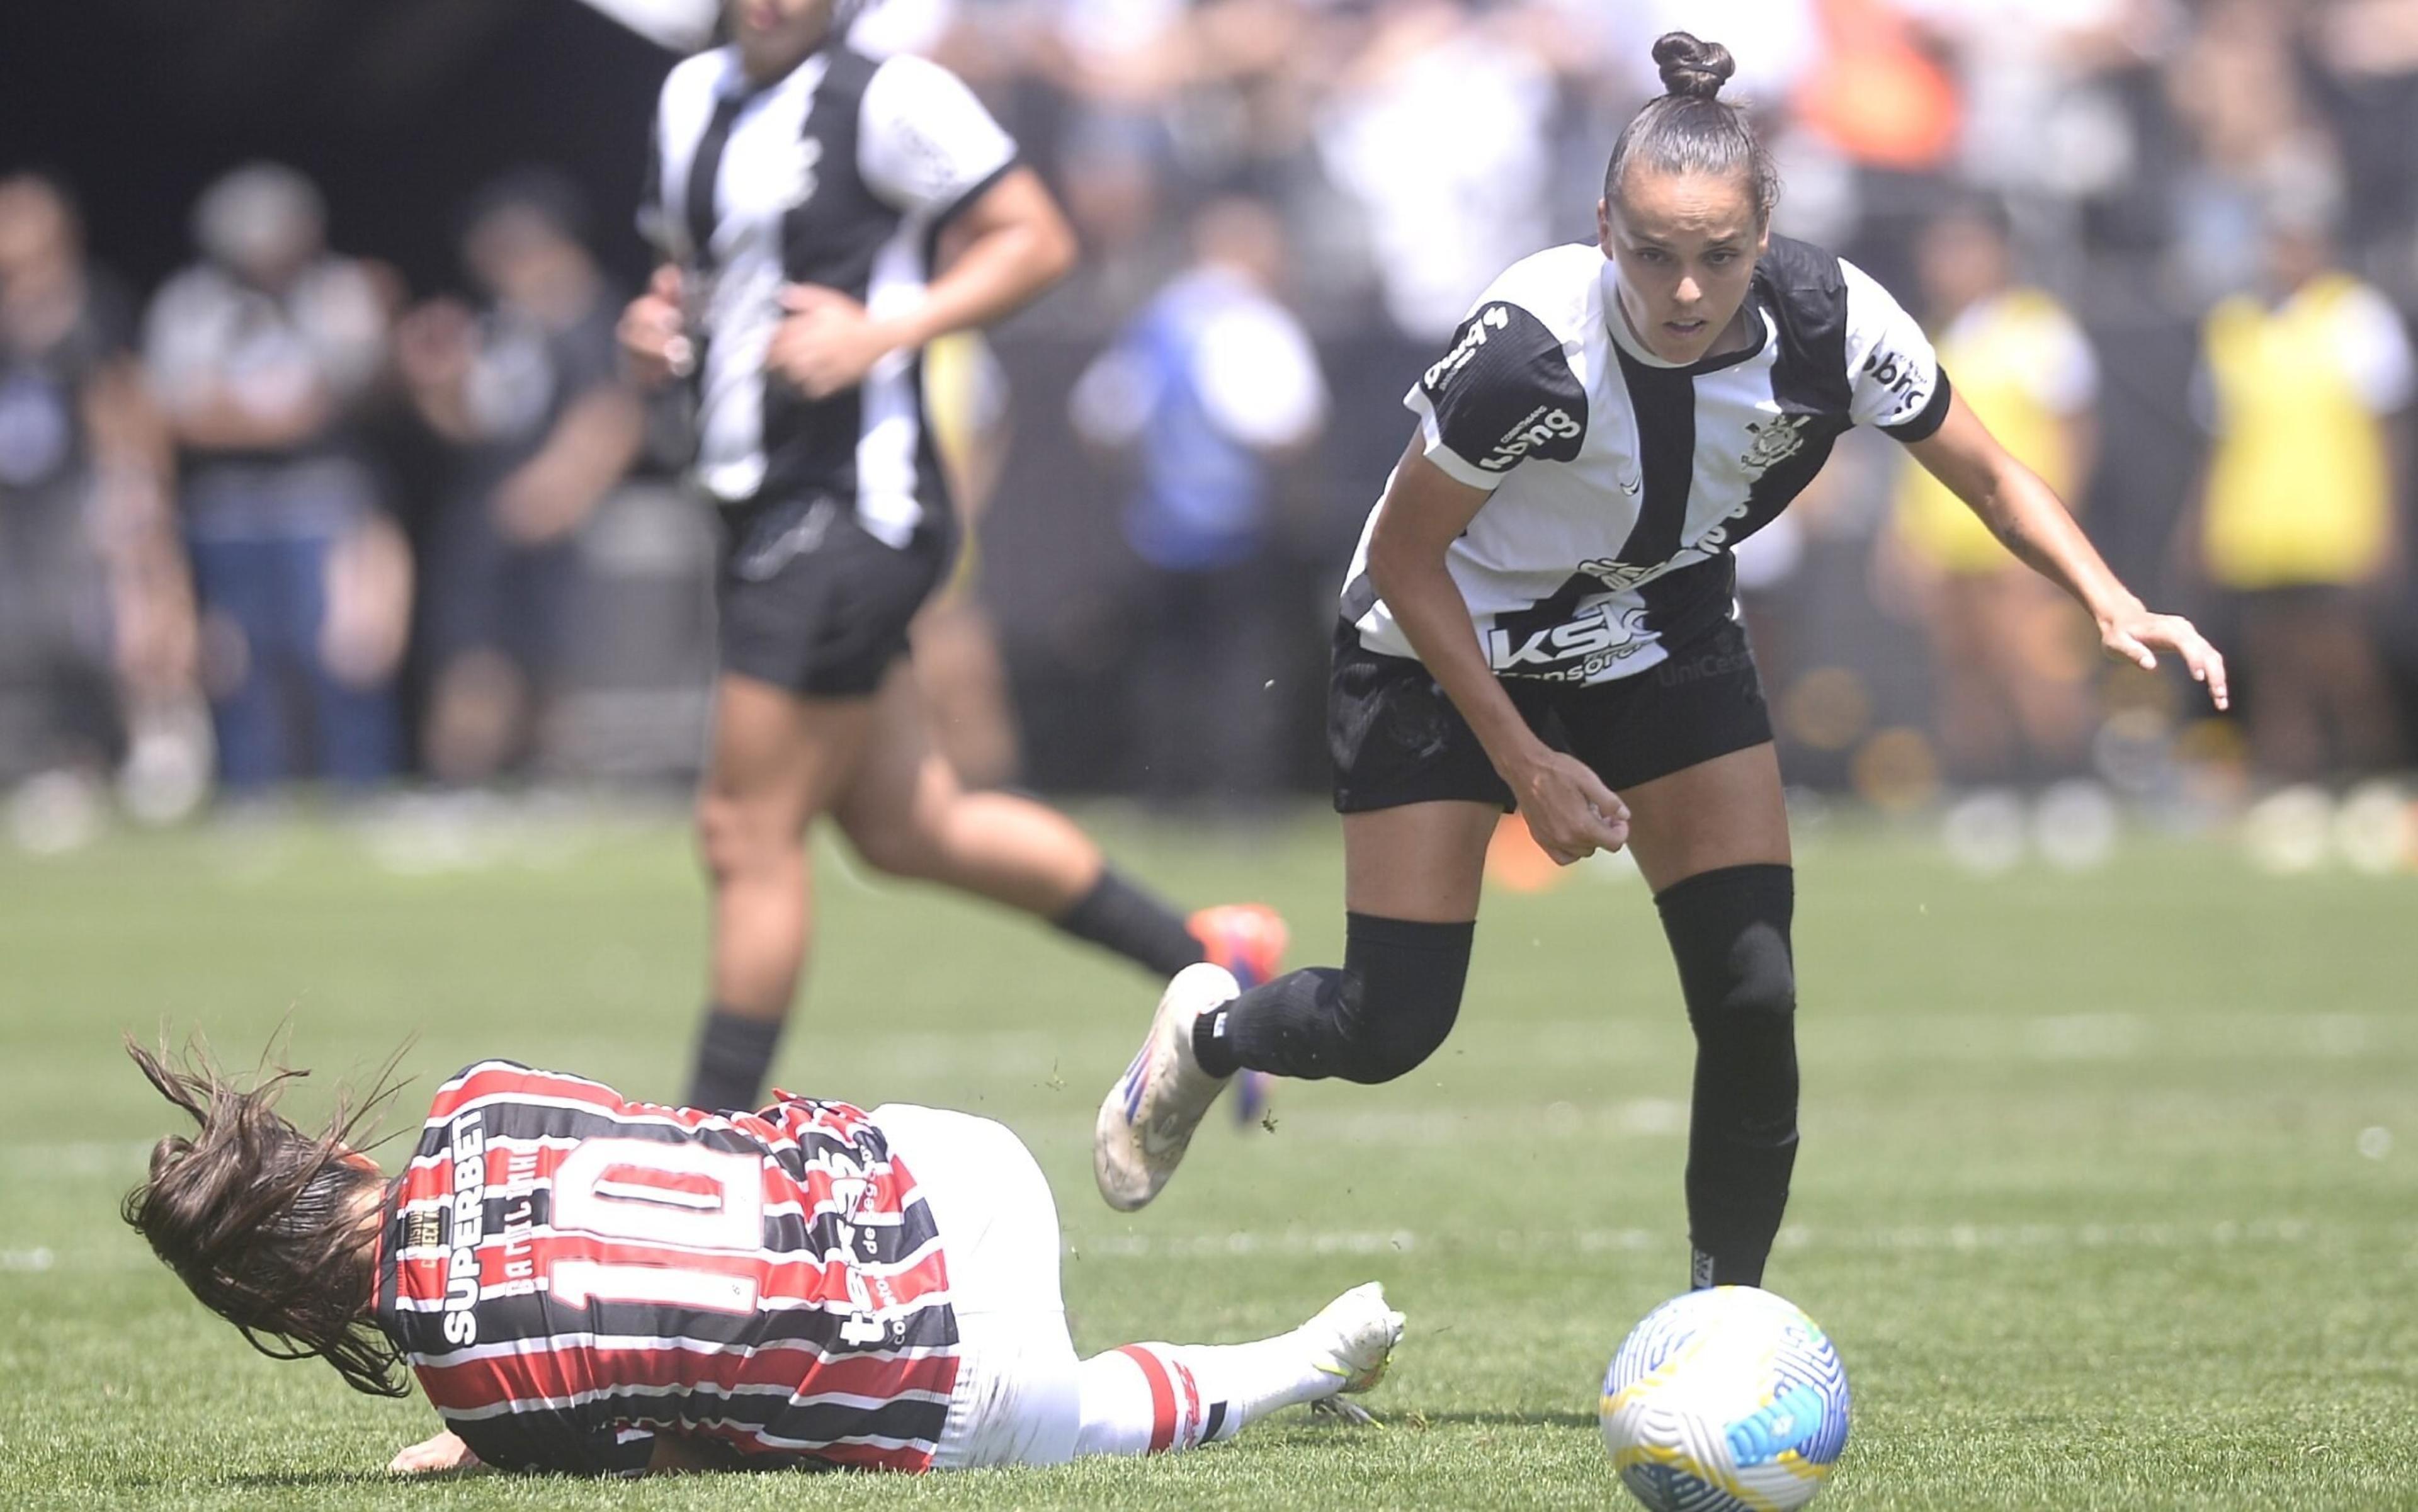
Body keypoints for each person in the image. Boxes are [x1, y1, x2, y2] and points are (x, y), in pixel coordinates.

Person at [1096, 34, 2229, 1295]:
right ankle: (1206, 1034)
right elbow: (1409, 566)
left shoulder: (1834, 321)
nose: (1685, 292)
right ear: (1602, 229)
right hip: (1440, 652)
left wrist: (2113, 601)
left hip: (1658, 632)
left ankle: (1724, 1321)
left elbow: (1995, 474)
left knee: (1752, 989)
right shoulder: (1531, 352)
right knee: (1392, 1024)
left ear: (1766, 234)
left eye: (1718, 256)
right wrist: (1526, 763)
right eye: (1651, 254)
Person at [615, 0, 1285, 1113]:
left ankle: (707, 1143)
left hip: (852, 505)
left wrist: (886, 330)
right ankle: (1210, 951)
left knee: (745, 828)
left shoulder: (890, 93)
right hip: (753, 504)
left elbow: (1038, 238)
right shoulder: (694, 95)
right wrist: (654, 325)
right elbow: (688, 273)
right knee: (906, 825)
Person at [120, 1040, 1403, 1476]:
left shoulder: (485, 1397)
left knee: (1084, 1419)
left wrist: (485, 1414)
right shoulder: (477, 1099)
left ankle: (1306, 1356)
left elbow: (676, 1434)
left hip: (967, 1375)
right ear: (326, 1159)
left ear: (291, 1307)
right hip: (957, 1163)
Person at [144, 163, 410, 793]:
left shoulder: (341, 292)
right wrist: (272, 420)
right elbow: (180, 412)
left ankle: (360, 790)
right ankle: (252, 793)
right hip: (228, 510)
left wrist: (252, 414)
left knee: (346, 652)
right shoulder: (190, 303)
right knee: (239, 661)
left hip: (325, 504)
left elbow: (347, 394)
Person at [1069, 195, 1330, 809]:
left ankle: (1167, 791)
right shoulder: (1254, 323)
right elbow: (1285, 423)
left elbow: (1100, 415)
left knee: (1167, 666)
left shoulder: (1157, 318)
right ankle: (1238, 795)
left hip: (1157, 523)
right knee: (1244, 665)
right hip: (1237, 522)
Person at [395, 171, 646, 785]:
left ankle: (544, 778)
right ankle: (461, 780)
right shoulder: (497, 324)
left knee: (545, 659)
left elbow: (613, 415)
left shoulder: (590, 315)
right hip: (486, 507)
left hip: (553, 516)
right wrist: (434, 383)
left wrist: (556, 489)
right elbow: (470, 427)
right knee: (469, 652)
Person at [2188, 195, 2411, 781]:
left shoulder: (2357, 318)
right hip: (2259, 524)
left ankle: (2371, 777)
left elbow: (2388, 431)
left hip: (2334, 520)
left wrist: (2387, 521)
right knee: (2272, 661)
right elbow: (2220, 438)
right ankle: (2293, 777)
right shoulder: (2236, 326)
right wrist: (2203, 525)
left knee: (2344, 658)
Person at [1881, 198, 2101, 786]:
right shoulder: (1928, 338)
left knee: (2037, 664)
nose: (1948, 264)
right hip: (1948, 537)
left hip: (2017, 537)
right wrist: (1904, 536)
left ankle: (2067, 784)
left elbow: (2074, 435)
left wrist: (2056, 535)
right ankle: (1987, 789)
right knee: (1964, 671)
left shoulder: (2038, 329)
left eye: (1964, 248)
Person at [0, 172, 200, 813]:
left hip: (77, 497)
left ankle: (139, 753)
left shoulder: (88, 306)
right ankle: (44, 764)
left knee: (99, 629)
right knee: (20, 636)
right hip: (16, 503)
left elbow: (124, 401)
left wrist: (137, 488)